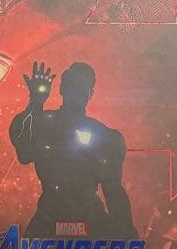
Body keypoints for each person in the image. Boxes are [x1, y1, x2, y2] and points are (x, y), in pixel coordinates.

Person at [9, 61, 137, 240]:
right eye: (74, 86)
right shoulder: (44, 124)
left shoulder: (105, 137)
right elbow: (24, 151)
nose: (77, 93)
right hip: (52, 220)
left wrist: (126, 235)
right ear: (62, 88)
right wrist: (36, 102)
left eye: (82, 88)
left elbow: (114, 191)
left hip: (84, 222)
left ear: (90, 94)